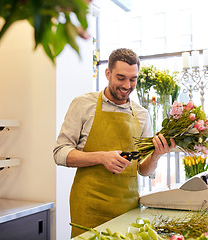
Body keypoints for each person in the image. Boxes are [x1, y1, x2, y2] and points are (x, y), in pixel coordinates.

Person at [53, 48, 176, 237]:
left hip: (127, 207)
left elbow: (143, 169)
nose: (127, 85)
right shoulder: (83, 105)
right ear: (108, 74)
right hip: (88, 205)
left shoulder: (142, 115)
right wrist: (102, 157)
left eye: (133, 79)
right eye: (121, 78)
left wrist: (157, 155)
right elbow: (60, 153)